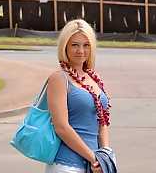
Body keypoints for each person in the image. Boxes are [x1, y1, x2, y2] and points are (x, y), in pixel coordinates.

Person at [46, 19, 111, 173]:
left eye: (86, 45)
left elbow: (103, 122)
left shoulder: (94, 78)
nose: (81, 51)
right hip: (67, 165)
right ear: (65, 47)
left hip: (94, 164)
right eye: (75, 45)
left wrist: (105, 154)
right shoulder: (59, 79)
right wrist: (93, 158)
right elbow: (61, 127)